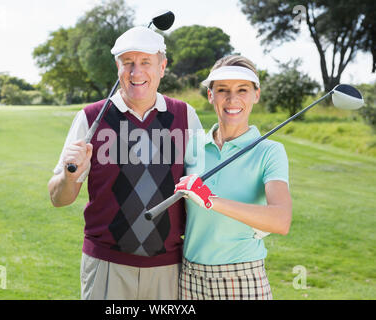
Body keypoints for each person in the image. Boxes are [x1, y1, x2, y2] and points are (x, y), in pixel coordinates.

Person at [47, 26, 203, 300]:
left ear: (162, 66)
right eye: (128, 63)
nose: (136, 72)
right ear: (116, 67)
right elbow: (58, 198)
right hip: (106, 266)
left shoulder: (185, 116)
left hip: (167, 267)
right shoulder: (90, 117)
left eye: (145, 62)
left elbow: (200, 193)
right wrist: (70, 177)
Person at [174, 55, 292, 300]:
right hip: (189, 276)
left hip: (241, 277)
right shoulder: (192, 146)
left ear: (256, 95)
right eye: (223, 90)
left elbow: (281, 220)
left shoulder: (269, 151)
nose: (232, 99)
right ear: (210, 95)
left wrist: (211, 200)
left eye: (242, 90)